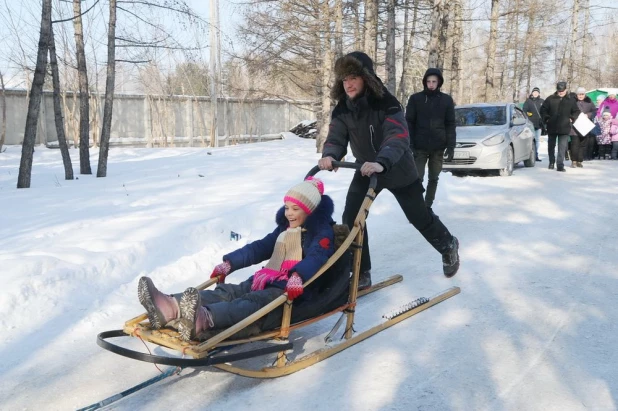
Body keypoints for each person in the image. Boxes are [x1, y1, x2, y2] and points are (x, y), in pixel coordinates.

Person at [318, 51, 460, 290]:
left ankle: (448, 245)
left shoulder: (388, 103)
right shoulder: (343, 108)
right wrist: (330, 155)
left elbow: (397, 136)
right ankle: (362, 272)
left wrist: (382, 161)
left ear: (366, 77)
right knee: (352, 218)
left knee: (419, 217)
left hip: (397, 169)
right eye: (344, 80)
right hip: (365, 169)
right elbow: (336, 136)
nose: (348, 84)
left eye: (353, 77)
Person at [137, 177, 336, 341]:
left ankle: (204, 319)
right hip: (266, 279)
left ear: (310, 210)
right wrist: (230, 262)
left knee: (250, 302)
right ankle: (170, 306)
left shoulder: (322, 233)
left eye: (296, 209)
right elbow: (259, 247)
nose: (289, 214)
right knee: (229, 292)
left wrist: (298, 276)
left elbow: (317, 257)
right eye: (286, 208)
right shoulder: (284, 230)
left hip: (291, 291)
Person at [404, 68, 456, 212]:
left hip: (438, 147)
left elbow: (450, 124)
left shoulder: (446, 100)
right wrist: (410, 143)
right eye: (428, 81)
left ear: (439, 82)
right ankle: (418, 207)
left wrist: (451, 146)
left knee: (434, 178)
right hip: (419, 147)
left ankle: (427, 206)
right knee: (417, 178)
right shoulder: (416, 99)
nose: (431, 84)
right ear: (425, 82)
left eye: (434, 81)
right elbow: (409, 122)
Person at [540, 81, 581, 172]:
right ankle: (551, 162)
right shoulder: (550, 99)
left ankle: (560, 165)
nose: (561, 92)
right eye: (559, 91)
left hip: (564, 127)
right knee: (551, 146)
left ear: (566, 90)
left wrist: (572, 118)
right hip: (552, 126)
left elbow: (576, 111)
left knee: (562, 147)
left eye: (562, 91)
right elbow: (543, 110)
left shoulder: (570, 100)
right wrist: (546, 118)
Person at [570, 87, 596, 167]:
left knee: (582, 144)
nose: (580, 96)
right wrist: (570, 117)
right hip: (574, 125)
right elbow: (567, 111)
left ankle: (580, 161)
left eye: (582, 94)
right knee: (574, 144)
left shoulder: (589, 101)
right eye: (579, 94)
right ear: (576, 95)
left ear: (585, 94)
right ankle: (574, 161)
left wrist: (588, 115)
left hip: (585, 126)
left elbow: (594, 111)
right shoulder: (572, 101)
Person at [522, 86, 545, 161]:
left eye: (537, 92)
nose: (535, 93)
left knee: (537, 140)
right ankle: (529, 155)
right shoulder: (528, 101)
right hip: (530, 124)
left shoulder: (542, 101)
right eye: (534, 92)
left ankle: (536, 155)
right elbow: (524, 111)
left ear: (539, 93)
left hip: (539, 124)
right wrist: (528, 116)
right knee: (531, 140)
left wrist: (544, 120)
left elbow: (545, 112)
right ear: (532, 93)